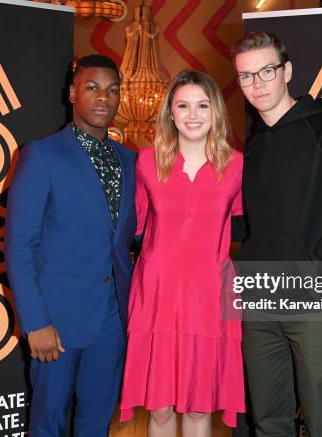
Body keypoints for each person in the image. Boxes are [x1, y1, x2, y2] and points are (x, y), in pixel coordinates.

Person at [231, 32, 322, 437]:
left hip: (313, 299)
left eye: (266, 71)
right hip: (259, 299)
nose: (257, 84)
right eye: (246, 76)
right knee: (267, 419)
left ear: (287, 71)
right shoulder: (254, 147)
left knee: (320, 422)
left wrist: (312, 268)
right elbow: (252, 224)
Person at [4, 54, 137, 437]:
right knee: (48, 424)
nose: (103, 99)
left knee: (97, 423)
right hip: (56, 321)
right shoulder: (41, 155)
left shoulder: (130, 161)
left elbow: (134, 235)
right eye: (92, 88)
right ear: (72, 93)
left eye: (113, 91)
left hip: (113, 319)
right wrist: (36, 322)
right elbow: (19, 245)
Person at [118, 70, 246, 436]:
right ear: (170, 113)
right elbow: (137, 225)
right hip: (158, 294)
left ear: (216, 111)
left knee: (197, 407)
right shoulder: (146, 162)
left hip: (209, 294)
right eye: (183, 105)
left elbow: (245, 223)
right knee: (158, 410)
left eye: (202, 105)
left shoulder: (236, 165)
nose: (193, 115)